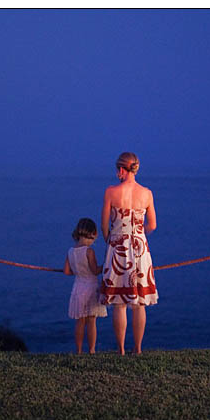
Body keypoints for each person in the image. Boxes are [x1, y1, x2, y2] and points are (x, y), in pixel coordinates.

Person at [100, 152, 158, 355]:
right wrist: (139, 235)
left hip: (117, 248)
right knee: (139, 302)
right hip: (140, 248)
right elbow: (153, 225)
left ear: (122, 169)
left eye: (117, 169)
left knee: (119, 302)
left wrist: (112, 240)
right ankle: (139, 348)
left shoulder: (111, 192)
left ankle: (122, 349)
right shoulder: (147, 193)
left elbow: (104, 226)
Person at [63, 218, 108, 354]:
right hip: (91, 287)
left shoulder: (71, 251)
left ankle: (78, 350)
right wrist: (106, 265)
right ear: (93, 233)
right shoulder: (89, 251)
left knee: (80, 321)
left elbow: (66, 271)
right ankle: (92, 349)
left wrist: (78, 271)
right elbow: (94, 270)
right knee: (91, 320)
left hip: (78, 287)